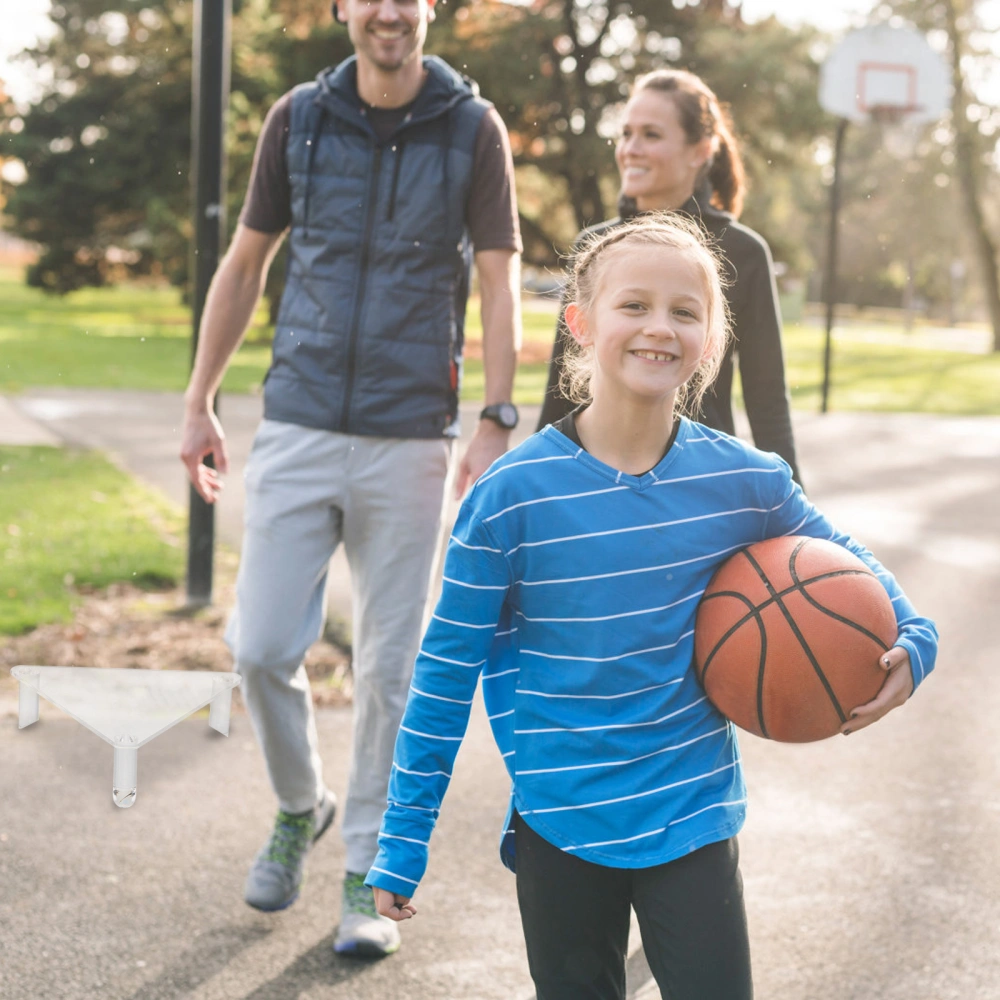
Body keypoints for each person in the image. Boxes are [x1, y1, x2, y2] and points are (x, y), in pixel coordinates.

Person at [365, 214, 937, 999]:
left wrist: (915, 635)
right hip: (560, 818)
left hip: (691, 811)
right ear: (580, 323)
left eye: (684, 311)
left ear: (710, 339)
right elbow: (443, 673)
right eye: (633, 305)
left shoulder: (745, 482)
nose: (658, 328)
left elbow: (850, 565)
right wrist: (402, 836)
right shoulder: (509, 500)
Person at [178, 0, 522, 959]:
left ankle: (368, 873)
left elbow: (499, 279)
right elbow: (245, 264)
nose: (387, 11)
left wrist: (496, 415)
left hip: (411, 433)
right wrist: (199, 397)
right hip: (296, 419)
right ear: (341, 7)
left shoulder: (473, 128)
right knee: (258, 646)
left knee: (389, 669)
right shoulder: (298, 118)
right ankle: (303, 806)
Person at [537, 68, 802, 483]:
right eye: (626, 134)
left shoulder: (743, 253)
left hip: (703, 489)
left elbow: (767, 400)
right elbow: (562, 388)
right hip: (599, 480)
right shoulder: (597, 247)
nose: (631, 149)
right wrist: (539, 483)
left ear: (701, 150)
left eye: (651, 135)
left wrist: (794, 508)